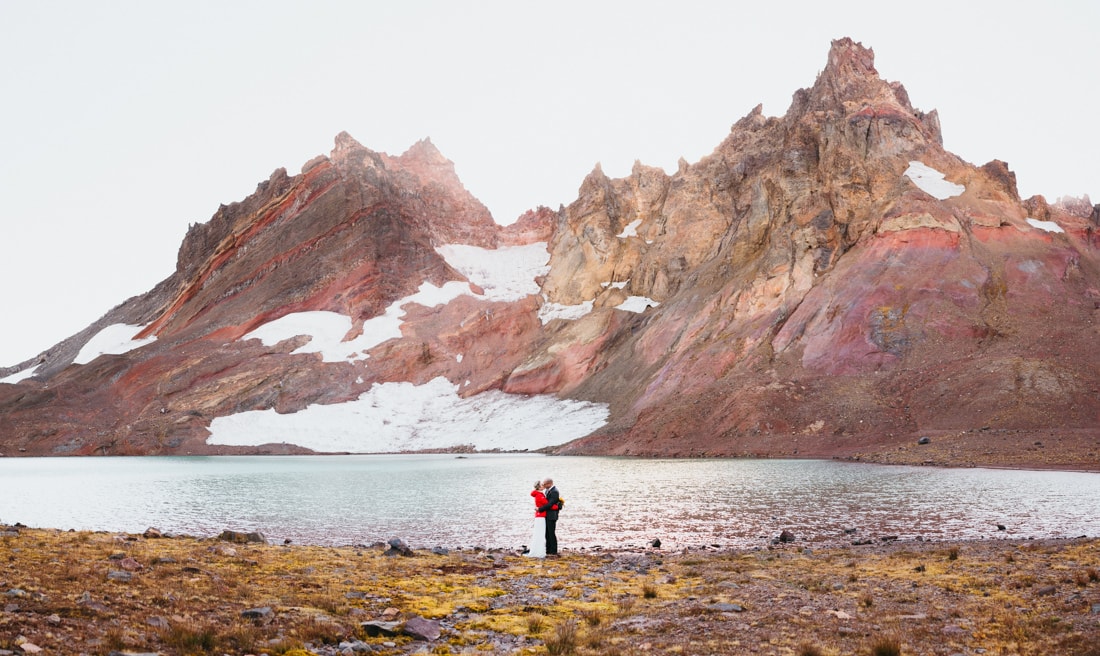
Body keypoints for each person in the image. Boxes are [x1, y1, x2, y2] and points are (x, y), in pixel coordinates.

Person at [537, 477, 561, 556]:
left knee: (551, 533)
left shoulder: (554, 491)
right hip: (547, 515)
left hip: (552, 516)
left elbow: (550, 504)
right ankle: (548, 549)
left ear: (549, 484)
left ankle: (553, 551)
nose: (543, 485)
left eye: (544, 484)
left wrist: (540, 509)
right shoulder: (548, 491)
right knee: (547, 533)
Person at [524, 481, 548, 558]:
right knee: (540, 534)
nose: (543, 485)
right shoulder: (539, 495)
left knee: (539, 533)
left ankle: (538, 550)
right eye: (542, 485)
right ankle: (538, 552)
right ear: (539, 487)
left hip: (539, 516)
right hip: (540, 516)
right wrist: (557, 506)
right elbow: (547, 504)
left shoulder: (539, 494)